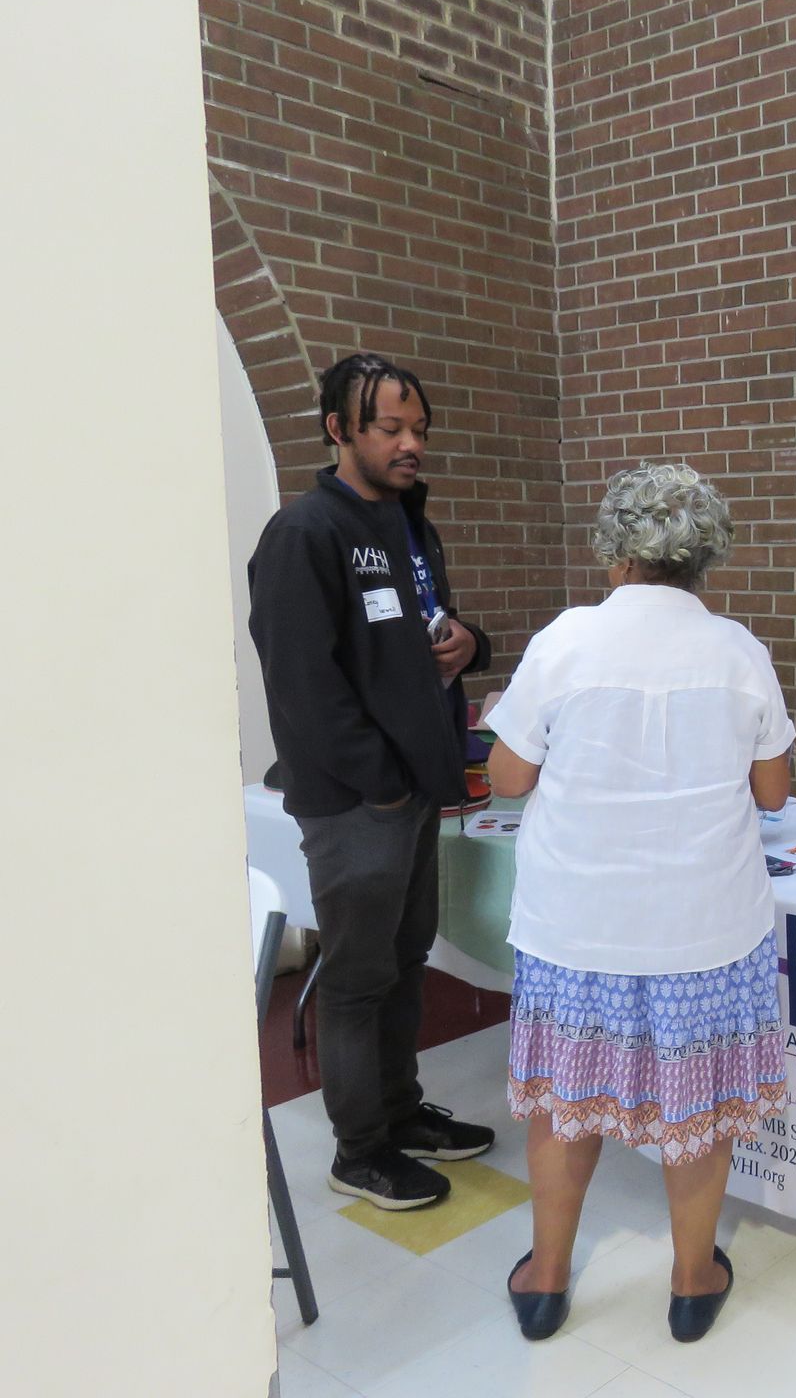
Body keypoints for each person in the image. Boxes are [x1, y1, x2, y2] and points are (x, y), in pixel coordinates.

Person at [484, 462, 794, 1344]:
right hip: (705, 928)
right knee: (695, 1112)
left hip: (577, 926)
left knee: (562, 1101)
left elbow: (507, 777)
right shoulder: (739, 651)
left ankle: (546, 1281)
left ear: (615, 552)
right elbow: (772, 793)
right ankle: (693, 1283)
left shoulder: (566, 640)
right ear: (706, 559)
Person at [248, 353, 497, 1210]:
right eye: (390, 427)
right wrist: (382, 783)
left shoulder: (410, 527)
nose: (410, 443)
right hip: (358, 802)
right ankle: (360, 1150)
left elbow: (423, 637)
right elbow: (303, 687)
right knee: (357, 978)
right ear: (338, 429)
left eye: (419, 428)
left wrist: (473, 642)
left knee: (405, 960)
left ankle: (399, 1111)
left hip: (413, 791)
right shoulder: (305, 535)